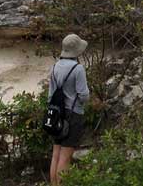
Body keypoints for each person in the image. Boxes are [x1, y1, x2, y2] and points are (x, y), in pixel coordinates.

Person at [48, 34, 90, 186]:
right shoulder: (77, 69)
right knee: (65, 157)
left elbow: (50, 95)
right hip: (73, 115)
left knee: (56, 155)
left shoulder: (54, 67)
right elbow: (84, 95)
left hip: (56, 114)